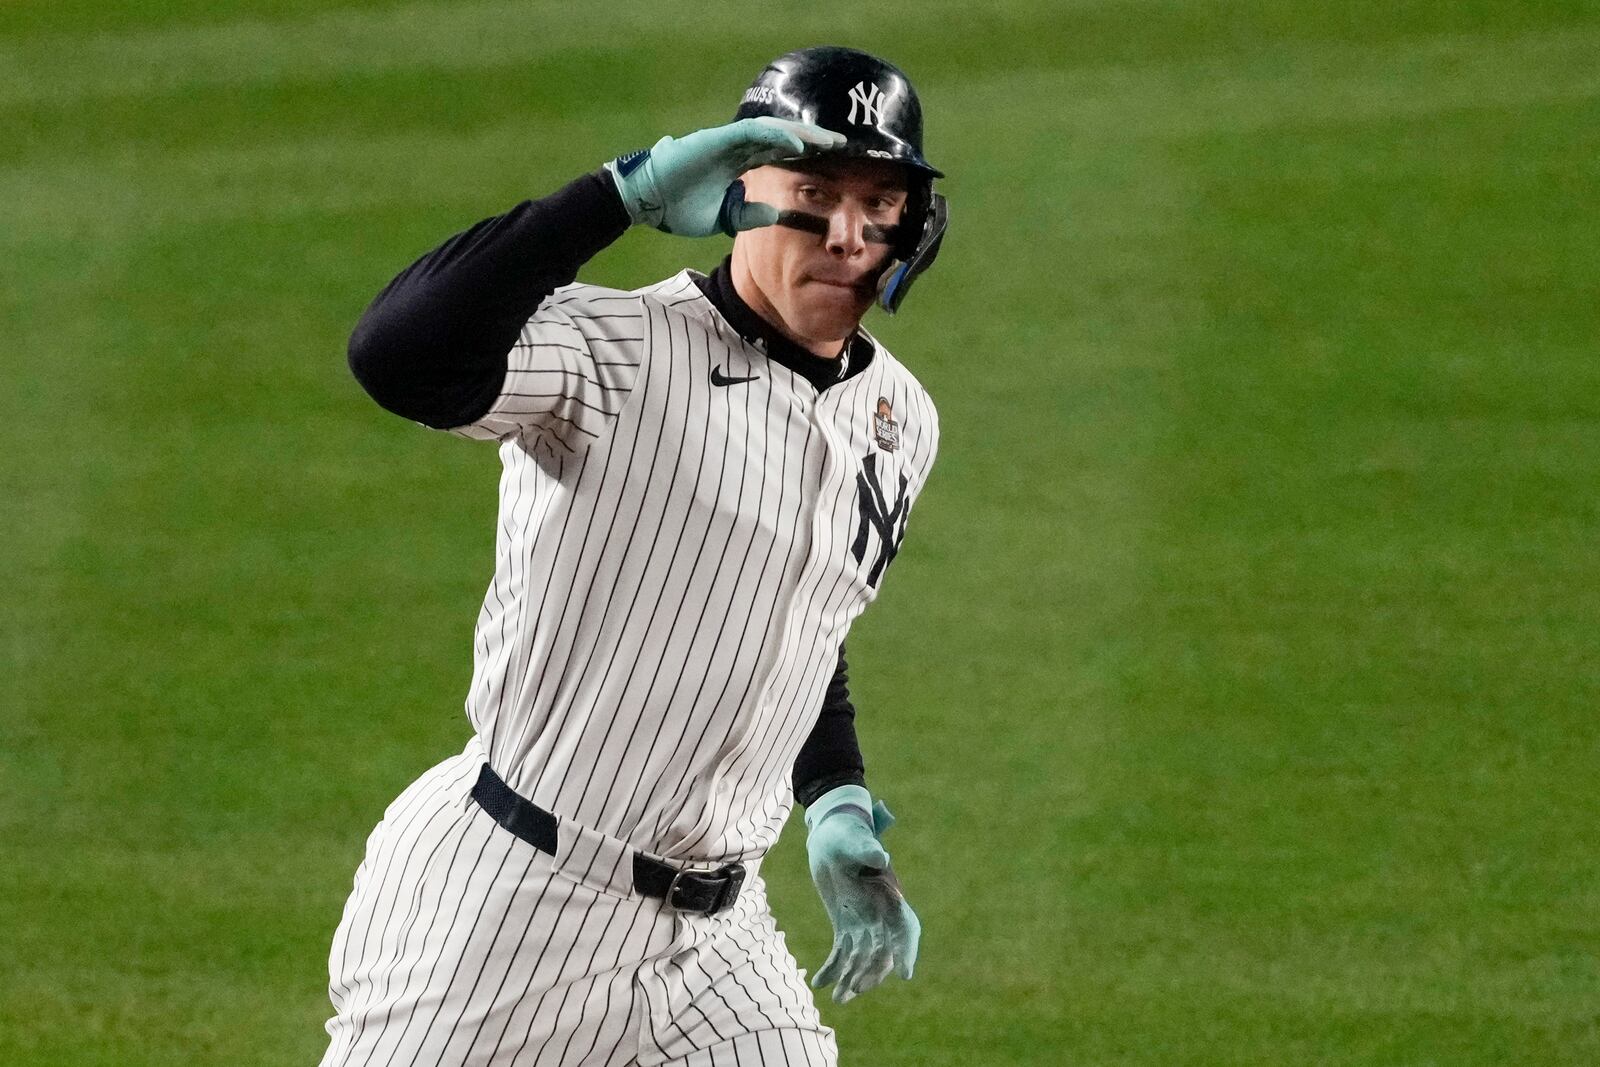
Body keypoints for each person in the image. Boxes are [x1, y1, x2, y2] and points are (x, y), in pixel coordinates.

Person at [321, 45, 949, 1067]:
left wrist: (833, 795)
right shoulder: (614, 350)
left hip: (718, 937)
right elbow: (396, 355)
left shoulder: (900, 416)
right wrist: (618, 194)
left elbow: (797, 611)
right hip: (509, 907)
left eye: (879, 200)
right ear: (741, 188)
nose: (847, 234)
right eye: (814, 192)